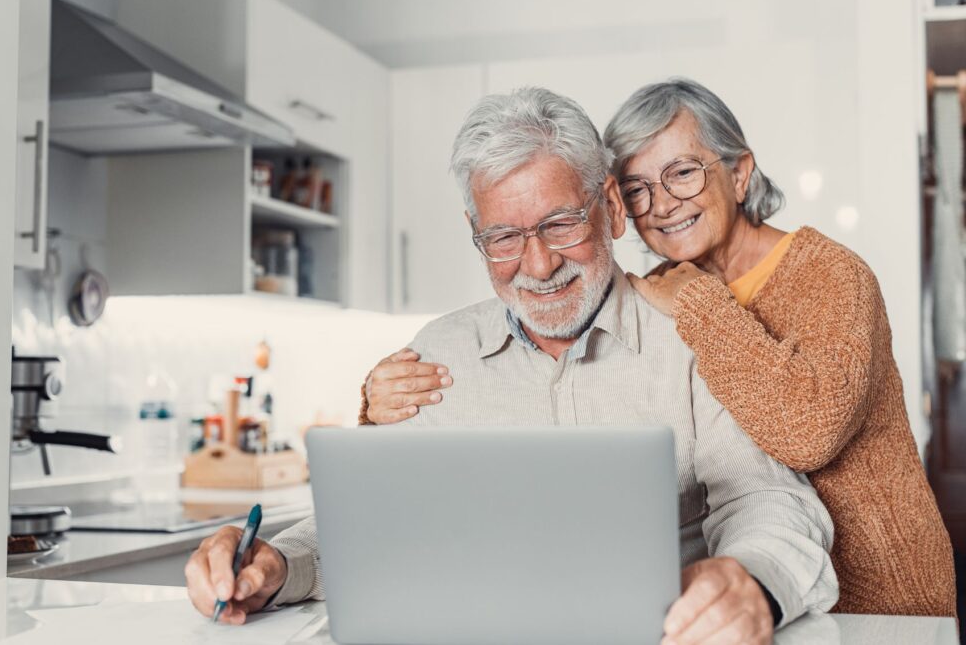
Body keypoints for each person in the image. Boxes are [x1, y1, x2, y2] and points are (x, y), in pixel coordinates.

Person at [185, 87, 838, 645]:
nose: (538, 264)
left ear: (610, 208)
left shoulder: (693, 337)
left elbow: (767, 499)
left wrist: (753, 579)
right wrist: (271, 562)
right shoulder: (436, 356)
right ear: (476, 232)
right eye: (503, 237)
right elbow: (369, 533)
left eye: (559, 223)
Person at [362, 78, 957, 618]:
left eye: (683, 173)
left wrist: (698, 306)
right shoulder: (668, 292)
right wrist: (376, 405)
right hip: (766, 606)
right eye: (640, 187)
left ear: (740, 173)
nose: (663, 204)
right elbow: (381, 504)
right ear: (621, 206)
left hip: (881, 592)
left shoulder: (817, 279)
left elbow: (807, 434)